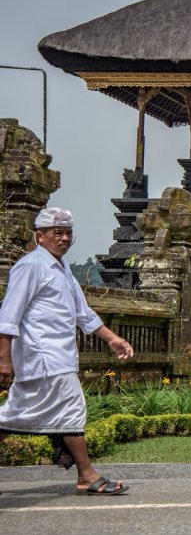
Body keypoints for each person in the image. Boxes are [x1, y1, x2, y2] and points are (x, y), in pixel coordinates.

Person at [0, 208, 134, 496]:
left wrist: (112, 339)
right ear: (39, 237)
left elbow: (81, 312)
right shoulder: (30, 266)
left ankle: (87, 474)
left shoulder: (61, 268)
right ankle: (87, 475)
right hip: (42, 356)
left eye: (68, 233)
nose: (64, 238)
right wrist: (4, 358)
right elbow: (8, 315)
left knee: (14, 417)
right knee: (71, 409)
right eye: (57, 233)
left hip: (57, 356)